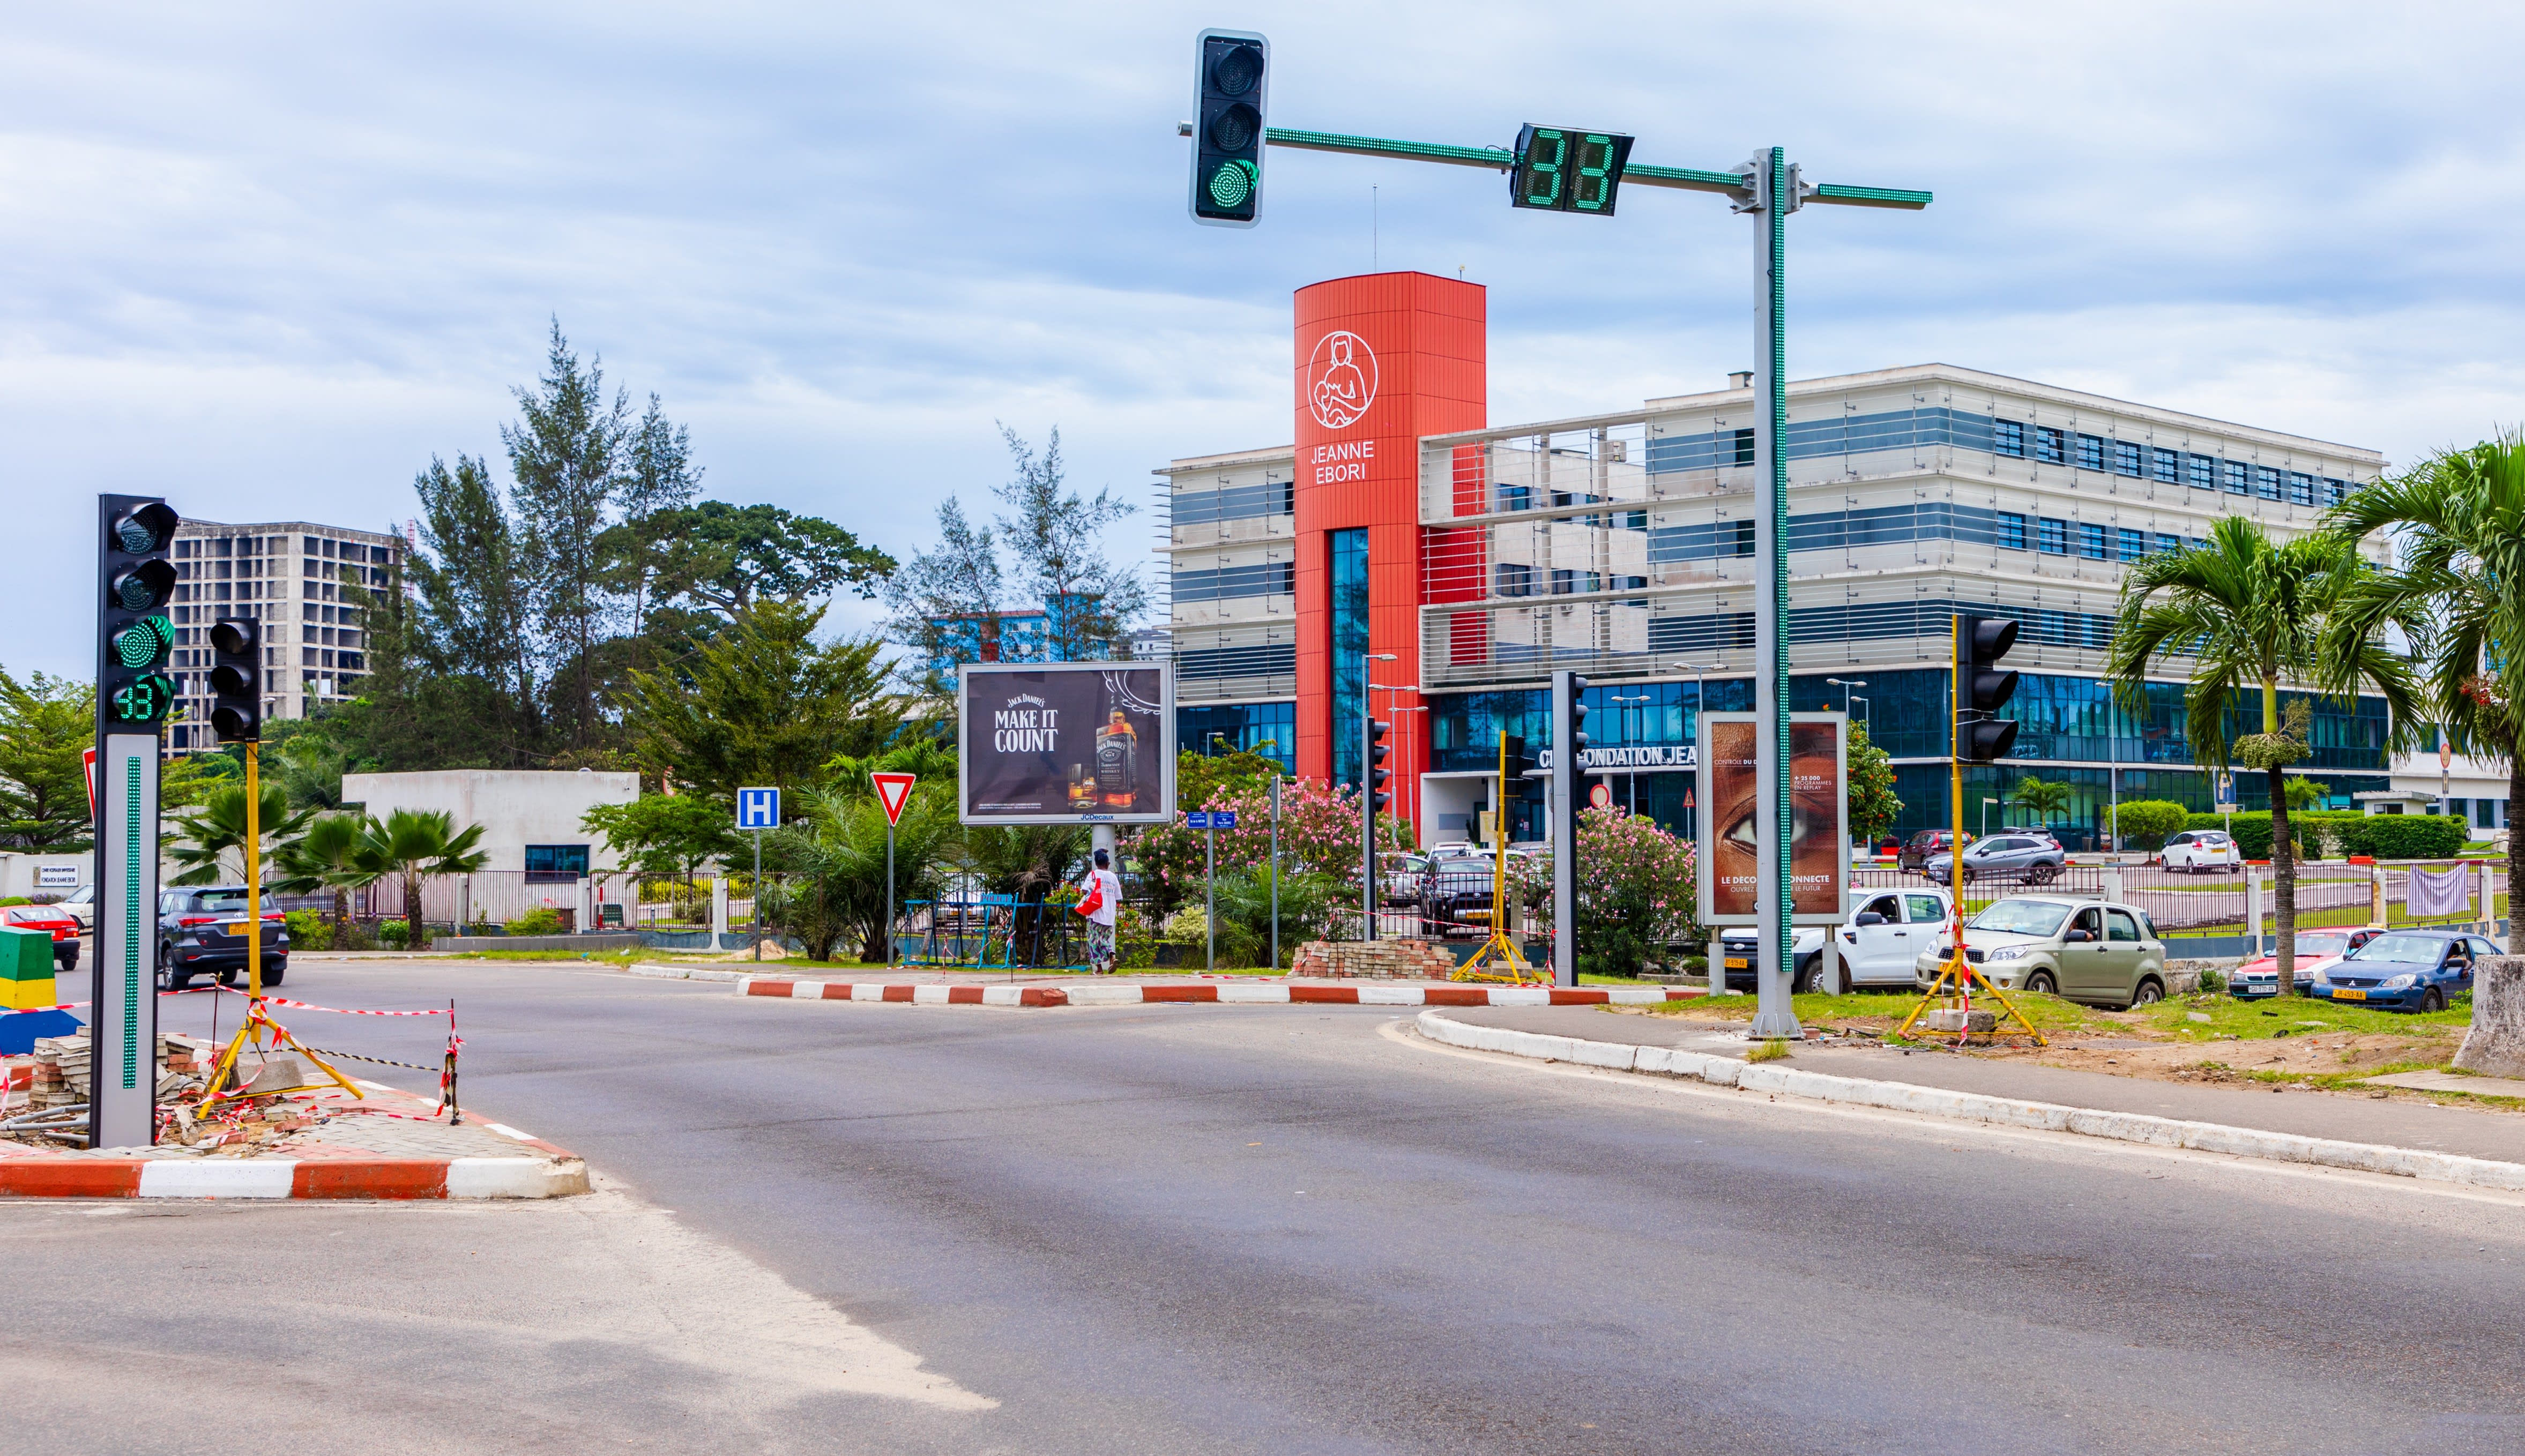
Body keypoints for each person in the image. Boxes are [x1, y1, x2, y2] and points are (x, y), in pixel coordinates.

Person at [1078, 848, 1123, 973]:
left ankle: (1099, 969)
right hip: (1109, 916)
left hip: (1095, 914)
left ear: (1096, 864)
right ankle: (1111, 955)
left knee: (1093, 942)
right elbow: (1118, 897)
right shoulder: (1113, 877)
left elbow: (1085, 891)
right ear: (1108, 863)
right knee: (1103, 939)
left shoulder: (1093, 875)